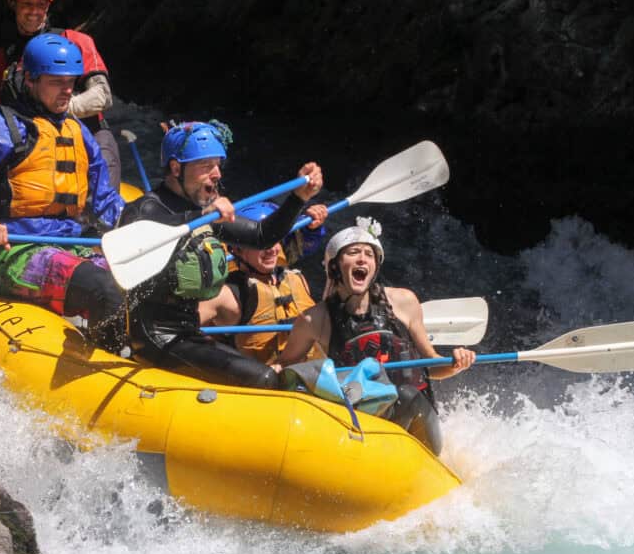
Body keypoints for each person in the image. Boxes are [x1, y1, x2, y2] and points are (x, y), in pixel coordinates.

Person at [0, 32, 125, 347]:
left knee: (135, 280)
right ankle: (107, 360)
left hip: (71, 246)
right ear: (31, 80)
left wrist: (141, 227)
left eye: (71, 82)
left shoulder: (77, 131)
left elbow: (106, 202)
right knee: (103, 287)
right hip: (15, 252)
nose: (67, 90)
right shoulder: (0, 126)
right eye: (56, 82)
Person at [117, 120, 324, 389]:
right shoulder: (145, 210)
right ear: (176, 168)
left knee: (267, 373)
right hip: (156, 336)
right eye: (206, 166)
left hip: (188, 332)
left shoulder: (206, 211)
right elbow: (144, 234)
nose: (216, 174)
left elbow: (263, 236)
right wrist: (199, 215)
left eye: (217, 165)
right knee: (263, 378)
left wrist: (298, 198)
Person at [278, 217, 476, 454]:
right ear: (334, 266)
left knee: (406, 395)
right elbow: (286, 371)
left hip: (414, 422)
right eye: (353, 252)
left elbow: (431, 366)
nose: (362, 258)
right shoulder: (314, 320)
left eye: (369, 254)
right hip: (360, 425)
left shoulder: (403, 302)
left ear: (375, 267)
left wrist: (456, 365)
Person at [0, 0, 122, 192]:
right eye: (27, 4)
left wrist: (57, 111)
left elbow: (102, 96)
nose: (34, 11)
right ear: (13, 5)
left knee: (102, 196)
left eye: (41, 4)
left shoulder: (77, 41)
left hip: (88, 136)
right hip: (33, 149)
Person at [200, 201, 329, 365]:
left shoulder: (296, 279)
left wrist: (312, 227)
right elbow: (181, 328)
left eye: (275, 241)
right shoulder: (228, 294)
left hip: (315, 378)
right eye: (263, 243)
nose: (272, 249)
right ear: (238, 249)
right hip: (263, 386)